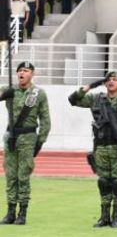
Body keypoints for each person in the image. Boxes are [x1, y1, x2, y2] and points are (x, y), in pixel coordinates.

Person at [67, 71, 117, 228]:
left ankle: (116, 216)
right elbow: (73, 99)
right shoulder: (96, 99)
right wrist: (91, 85)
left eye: (115, 80)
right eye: (108, 80)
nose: (111, 82)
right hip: (101, 147)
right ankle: (104, 216)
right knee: (103, 181)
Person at [0, 62, 50, 225]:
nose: (22, 73)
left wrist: (40, 141)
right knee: (10, 176)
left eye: (26, 71)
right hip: (11, 137)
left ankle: (22, 213)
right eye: (19, 71)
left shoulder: (38, 94)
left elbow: (45, 120)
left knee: (23, 176)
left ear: (32, 74)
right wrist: (4, 94)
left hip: (28, 138)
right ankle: (10, 212)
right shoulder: (10, 91)